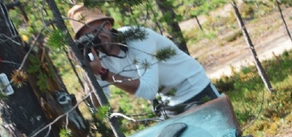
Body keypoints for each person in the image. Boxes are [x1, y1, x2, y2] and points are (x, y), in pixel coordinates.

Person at [67, 4, 220, 118]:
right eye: (88, 37)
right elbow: (99, 104)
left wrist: (103, 73)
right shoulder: (97, 56)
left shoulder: (137, 36)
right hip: (167, 101)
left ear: (108, 25)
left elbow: (148, 90)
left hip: (194, 88)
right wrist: (86, 69)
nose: (95, 39)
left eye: (96, 31)